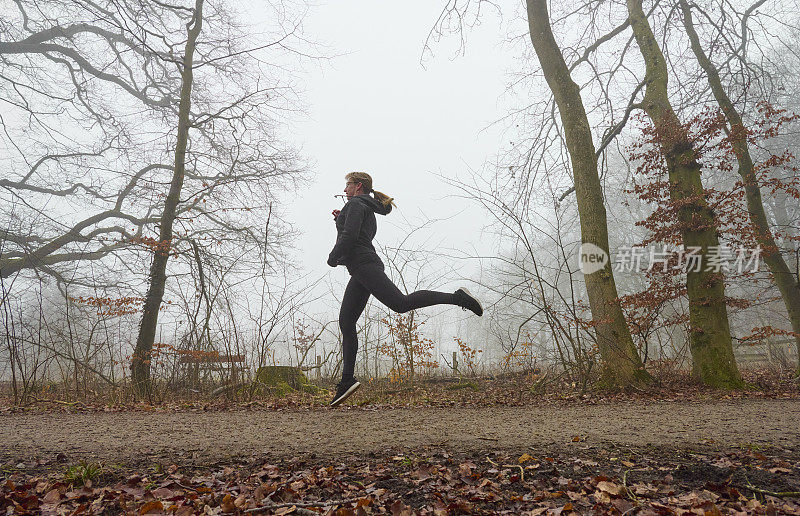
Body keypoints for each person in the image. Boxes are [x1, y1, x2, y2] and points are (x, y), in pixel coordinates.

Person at [327, 172, 483, 407]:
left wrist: (333, 256)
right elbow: (359, 234)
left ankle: (457, 297)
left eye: (347, 185)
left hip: (365, 266)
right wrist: (342, 219)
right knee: (346, 322)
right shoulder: (361, 206)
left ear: (358, 186)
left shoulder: (358, 204)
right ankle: (347, 381)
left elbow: (350, 237)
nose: (345, 189)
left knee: (400, 303)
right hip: (360, 269)